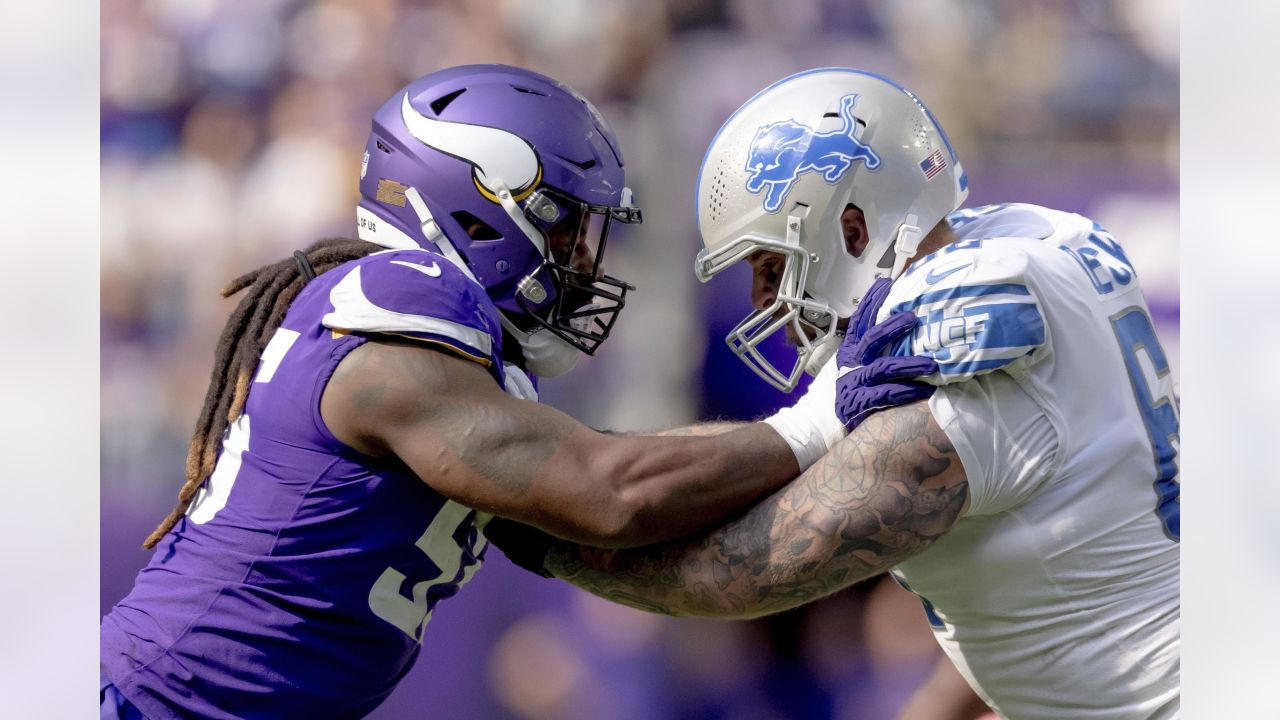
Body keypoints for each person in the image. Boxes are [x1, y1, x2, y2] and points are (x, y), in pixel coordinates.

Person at [98, 65, 926, 719]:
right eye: (567, 228)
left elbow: (627, 523)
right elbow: (612, 494)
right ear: (479, 207)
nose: (584, 264)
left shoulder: (449, 361)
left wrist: (836, 459)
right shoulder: (408, 301)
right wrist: (827, 418)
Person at [492, 68, 1180, 719]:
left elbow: (736, 571)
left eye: (770, 264)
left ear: (853, 231)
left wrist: (524, 519)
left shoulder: (962, 342)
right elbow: (1028, 591)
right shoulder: (1019, 240)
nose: (762, 299)